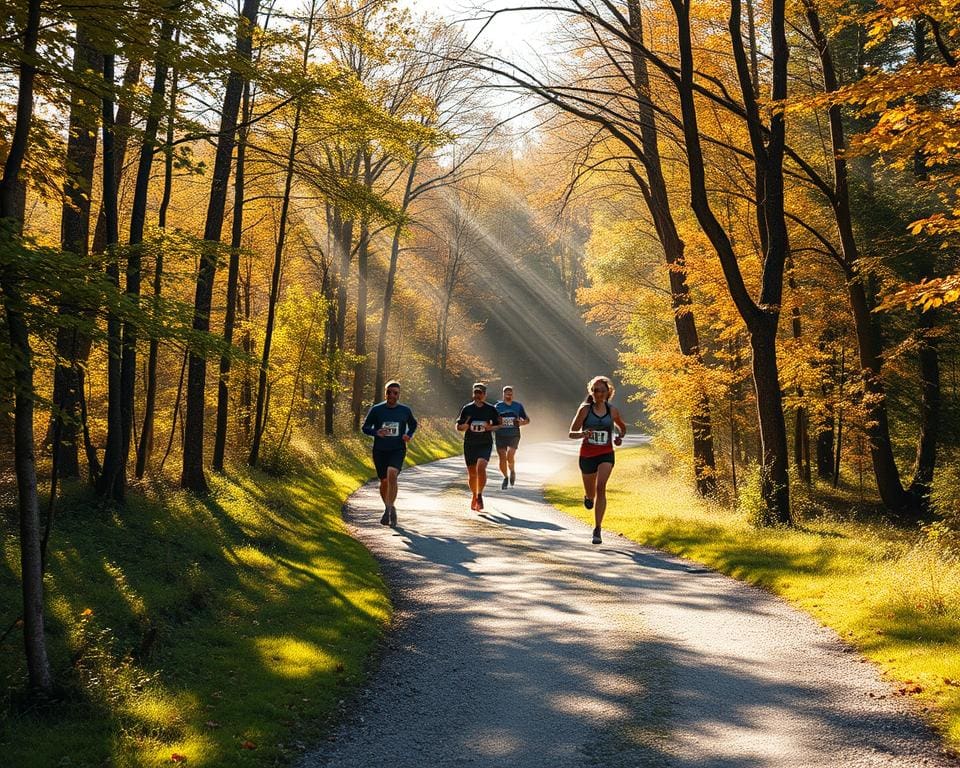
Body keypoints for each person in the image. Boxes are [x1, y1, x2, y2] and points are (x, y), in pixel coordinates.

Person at [568, 376, 626, 544]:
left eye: (601, 390)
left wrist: (619, 437)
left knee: (601, 487)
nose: (598, 393)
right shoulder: (585, 410)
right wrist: (583, 434)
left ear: (608, 392)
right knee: (591, 493)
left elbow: (622, 428)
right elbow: (571, 432)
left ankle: (597, 529)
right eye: (594, 390)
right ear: (591, 392)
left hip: (606, 453)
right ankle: (587, 496)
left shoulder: (612, 410)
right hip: (587, 455)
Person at [362, 380, 417, 527]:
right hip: (380, 450)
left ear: (399, 395)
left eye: (395, 393)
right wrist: (375, 432)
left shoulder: (405, 410)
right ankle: (390, 507)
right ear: (385, 393)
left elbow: (413, 424)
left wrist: (409, 435)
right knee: (384, 481)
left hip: (397, 449)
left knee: (392, 474)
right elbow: (365, 427)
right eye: (389, 392)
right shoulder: (377, 410)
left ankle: (387, 510)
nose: (392, 395)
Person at [456, 382, 501, 511]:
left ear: (485, 395)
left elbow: (499, 424)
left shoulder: (490, 409)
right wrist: (462, 427)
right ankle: (474, 495)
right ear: (473, 394)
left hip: (484, 443)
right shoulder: (467, 409)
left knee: (481, 467)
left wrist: (490, 427)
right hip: (470, 444)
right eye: (475, 392)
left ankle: (480, 495)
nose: (477, 395)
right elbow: (459, 425)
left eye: (480, 393)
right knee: (472, 474)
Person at [494, 385, 530, 489]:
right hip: (500, 434)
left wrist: (521, 423)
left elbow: (527, 420)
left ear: (513, 394)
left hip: (514, 434)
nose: (508, 396)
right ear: (503, 394)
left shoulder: (518, 406)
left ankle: (512, 470)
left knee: (510, 455)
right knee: (502, 457)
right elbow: (492, 420)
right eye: (507, 394)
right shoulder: (497, 407)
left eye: (510, 394)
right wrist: (496, 423)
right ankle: (505, 477)